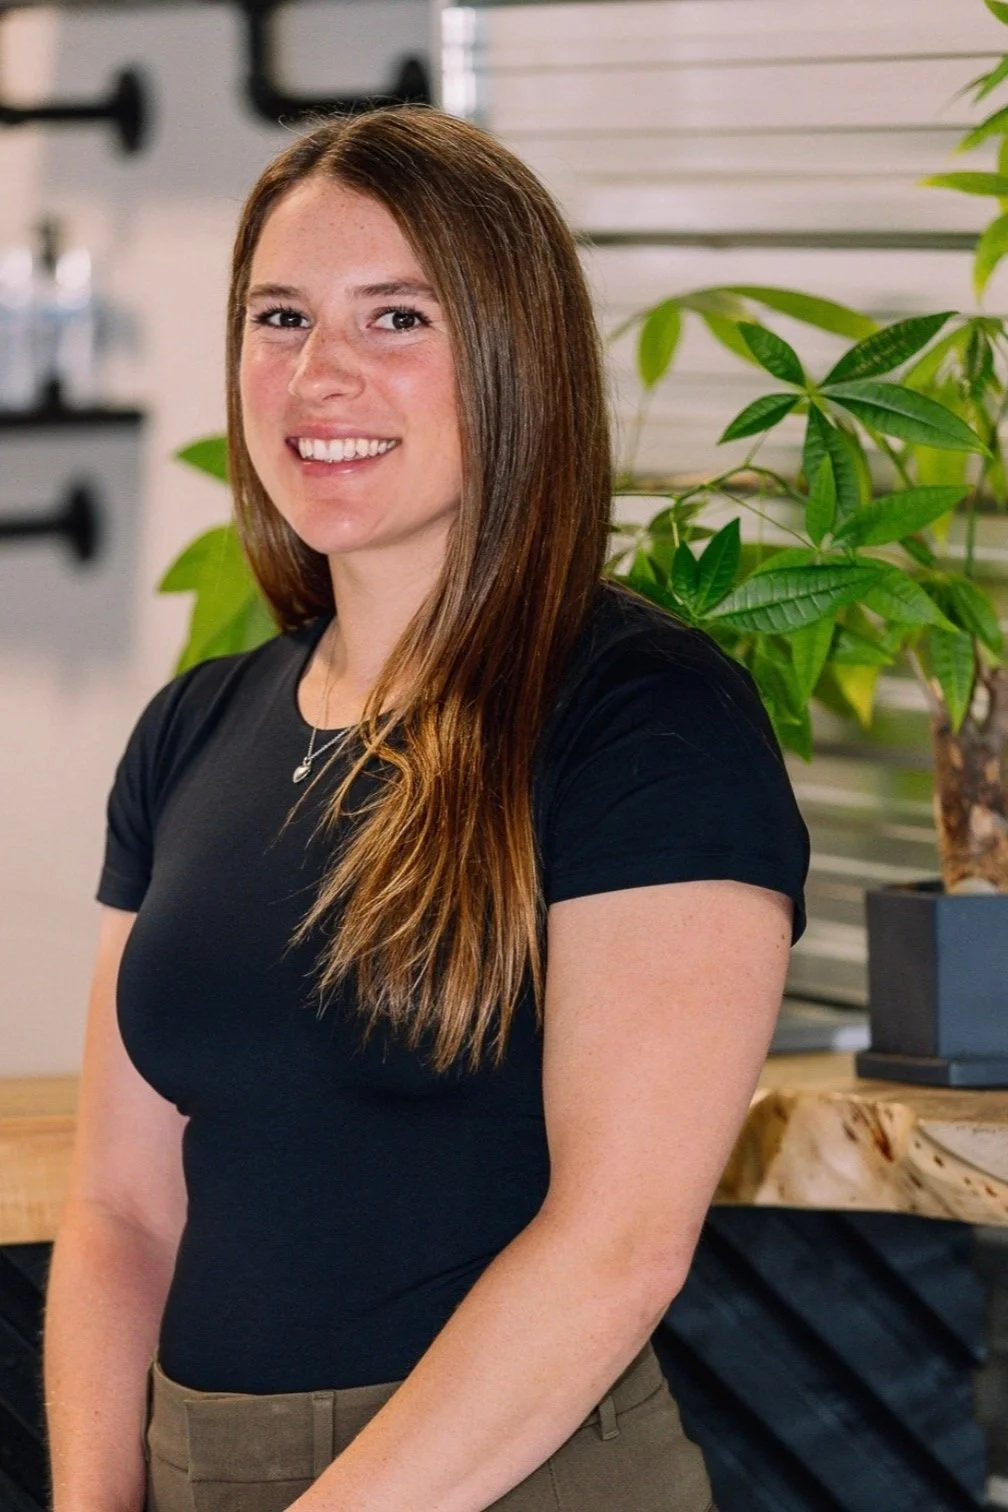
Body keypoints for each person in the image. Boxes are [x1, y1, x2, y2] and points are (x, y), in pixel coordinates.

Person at [42, 105, 810, 1512]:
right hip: (195, 1466)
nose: (318, 373)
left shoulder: (644, 716)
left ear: (512, 360)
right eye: (280, 317)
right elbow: (120, 1210)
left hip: (512, 1473)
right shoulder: (192, 730)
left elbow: (618, 1245)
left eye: (396, 319)